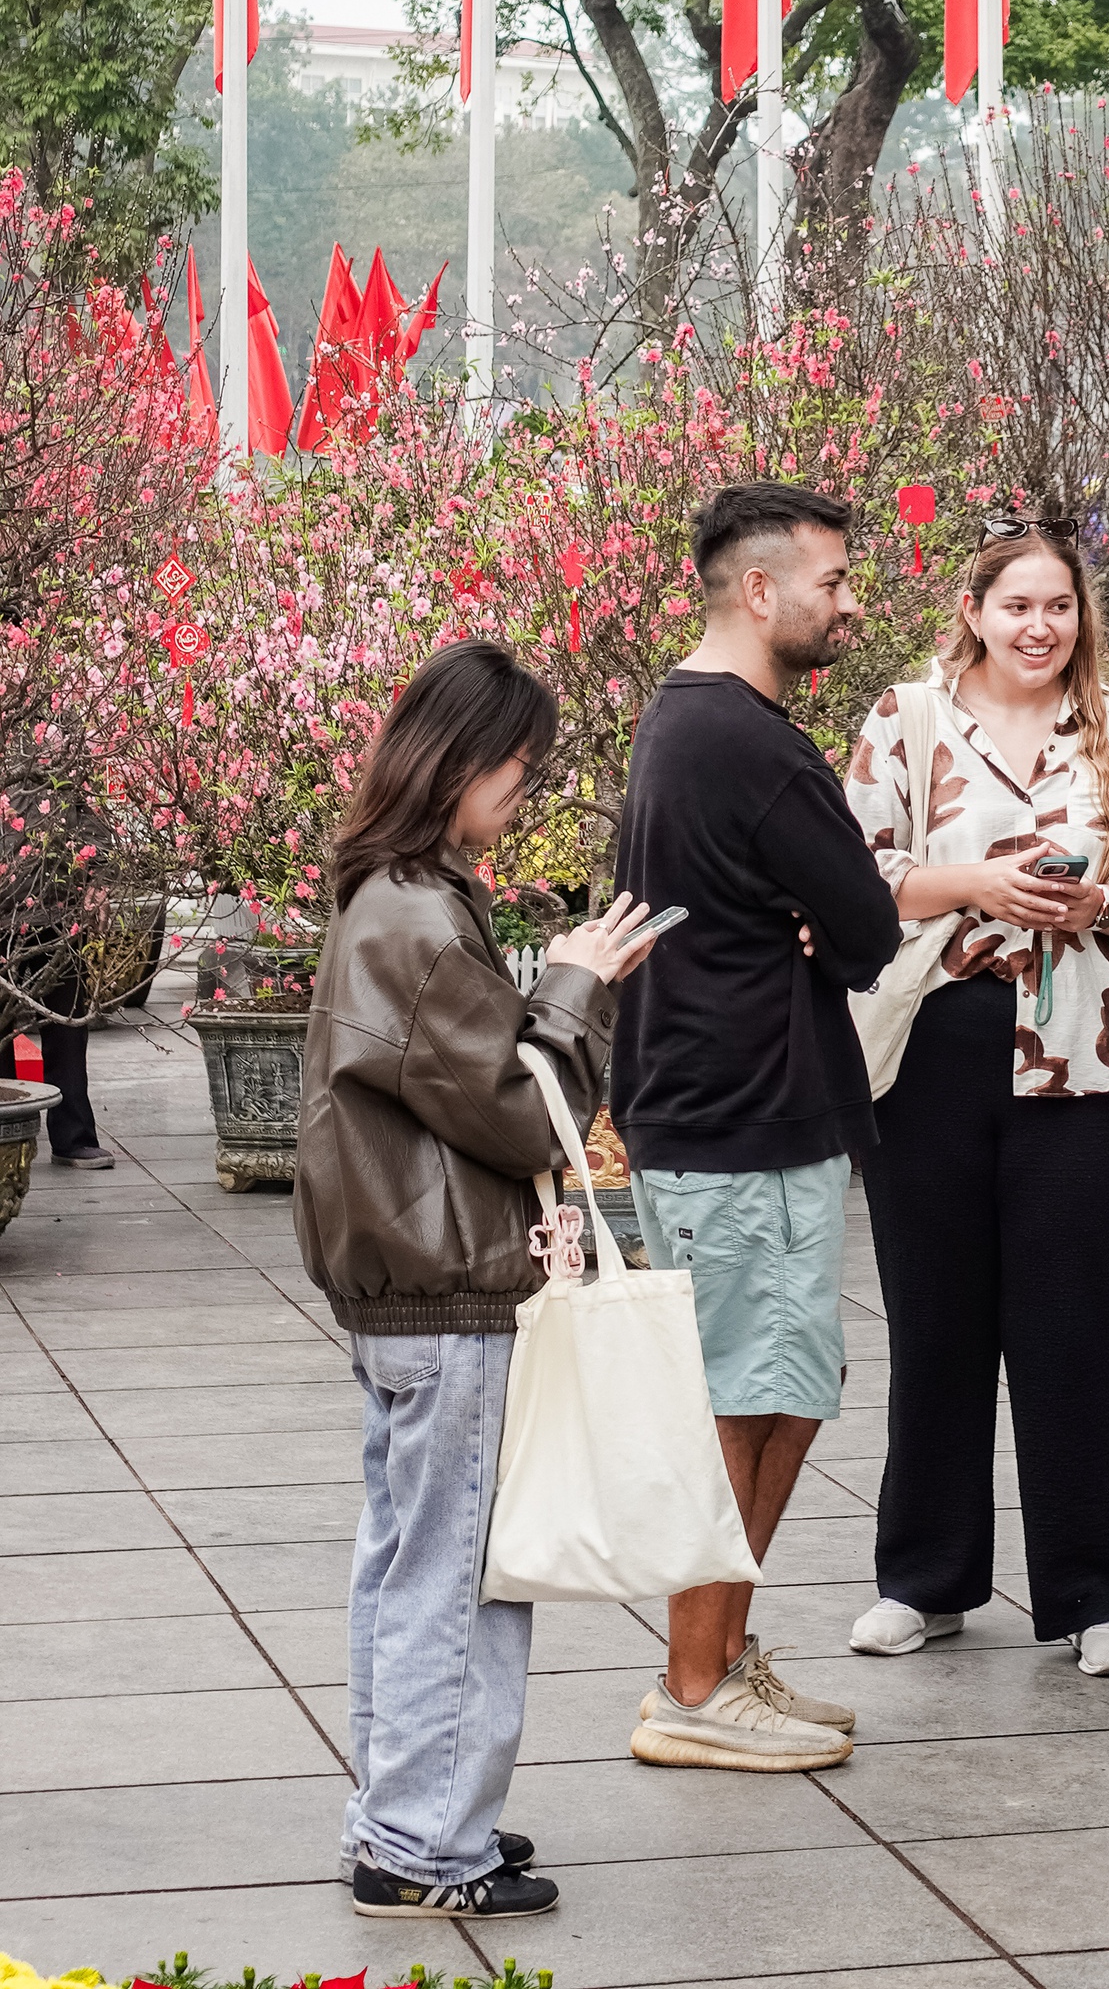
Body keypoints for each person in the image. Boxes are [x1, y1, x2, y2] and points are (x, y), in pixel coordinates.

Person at [294, 638, 656, 1922]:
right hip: (446, 1290)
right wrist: (578, 984)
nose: (524, 791)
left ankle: (410, 1816)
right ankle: (420, 1846)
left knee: (410, 1559)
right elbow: (525, 1112)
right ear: (460, 762)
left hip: (405, 1285)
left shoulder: (392, 899)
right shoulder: (419, 917)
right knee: (457, 1573)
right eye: (519, 768)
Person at [843, 517, 1109, 1677]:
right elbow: (856, 875)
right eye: (1016, 606)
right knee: (932, 1319)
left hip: (1080, 1055)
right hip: (930, 1047)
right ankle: (923, 1580)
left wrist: (1104, 907)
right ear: (974, 612)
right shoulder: (906, 719)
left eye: (1057, 606)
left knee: (1072, 1327)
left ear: (1079, 615)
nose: (1038, 627)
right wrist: (979, 884)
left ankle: (1095, 1598)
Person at [612, 481, 905, 1776]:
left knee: (776, 1392)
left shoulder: (683, 719)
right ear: (759, 588)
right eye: (832, 583)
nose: (848, 605)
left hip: (717, 1110)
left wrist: (814, 925)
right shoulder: (753, 745)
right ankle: (693, 1684)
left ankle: (721, 1660)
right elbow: (869, 930)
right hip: (742, 1119)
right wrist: (821, 927)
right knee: (750, 1400)